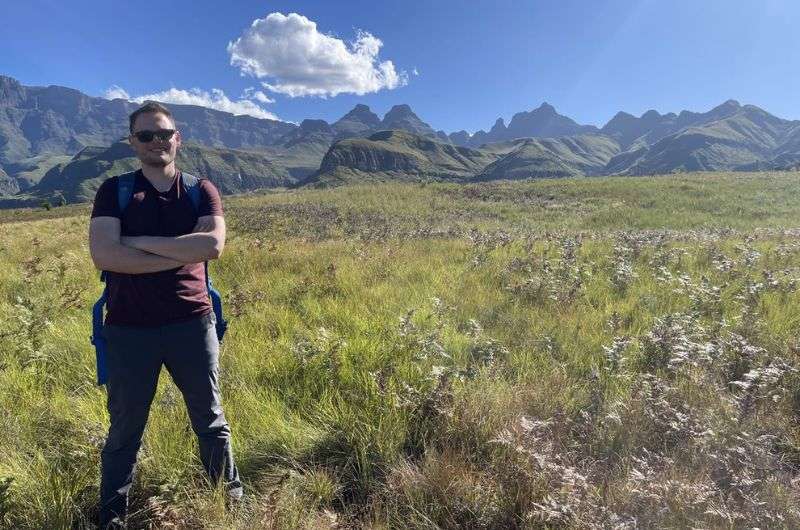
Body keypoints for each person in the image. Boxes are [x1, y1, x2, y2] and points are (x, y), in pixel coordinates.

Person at [89, 102, 241, 528]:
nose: (157, 141)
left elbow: (210, 247)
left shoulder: (201, 189)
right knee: (124, 430)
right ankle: (111, 518)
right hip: (127, 328)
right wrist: (178, 251)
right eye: (146, 135)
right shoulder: (114, 190)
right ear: (132, 142)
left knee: (210, 420)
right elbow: (104, 254)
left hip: (191, 322)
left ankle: (231, 508)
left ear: (178, 137)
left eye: (164, 133)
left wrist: (135, 244)